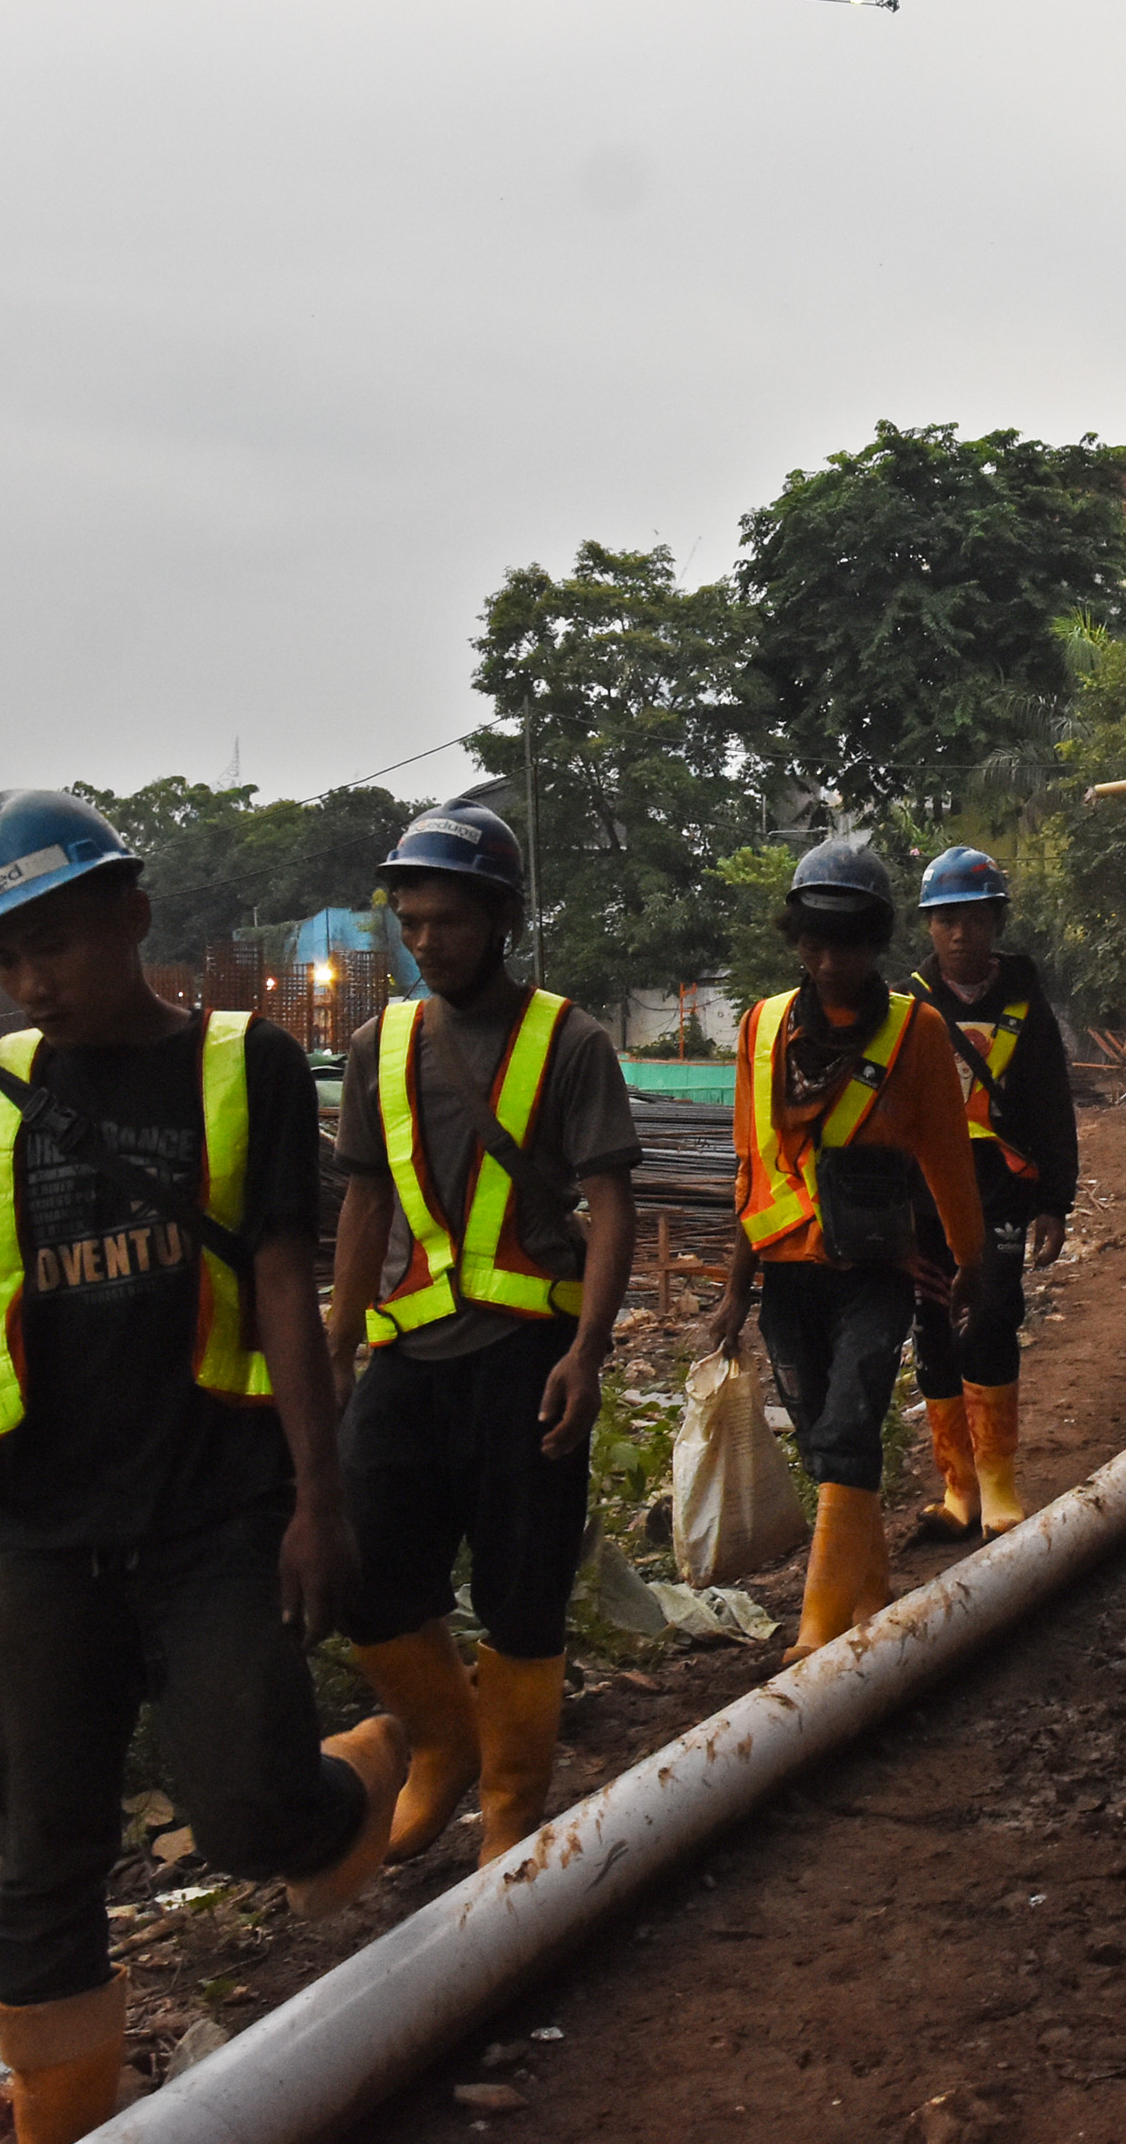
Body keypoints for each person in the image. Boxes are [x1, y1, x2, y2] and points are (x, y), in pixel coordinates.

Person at [0, 791, 397, 2144]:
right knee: (42, 1861)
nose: (36, 980)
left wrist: (317, 1499)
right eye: (8, 958)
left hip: (218, 1512)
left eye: (57, 944)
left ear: (132, 914)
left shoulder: (247, 1066)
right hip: (46, 1532)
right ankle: (69, 2124)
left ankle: (365, 1771)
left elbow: (282, 1279)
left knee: (249, 1813)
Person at [322, 801, 642, 1869]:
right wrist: (336, 1348)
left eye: (446, 920)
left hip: (524, 1361)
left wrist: (587, 1353)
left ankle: (510, 1805)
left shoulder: (572, 1040)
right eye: (411, 921)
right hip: (407, 1359)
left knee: (523, 1589)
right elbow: (363, 1205)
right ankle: (445, 1742)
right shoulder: (381, 1045)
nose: (425, 941)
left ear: (499, 917)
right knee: (363, 1569)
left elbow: (610, 1202)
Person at [709, 841, 984, 1658]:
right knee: (825, 1437)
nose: (829, 961)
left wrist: (971, 1260)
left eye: (848, 943)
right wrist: (733, 1293)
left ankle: (816, 1636)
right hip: (785, 1275)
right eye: (813, 942)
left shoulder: (916, 1031)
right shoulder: (762, 1028)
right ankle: (869, 1604)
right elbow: (749, 1167)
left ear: (875, 943)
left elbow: (947, 1154)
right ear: (795, 939)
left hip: (876, 1270)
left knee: (849, 1421)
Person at [903, 845, 1078, 1542]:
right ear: (928, 927)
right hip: (924, 1202)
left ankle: (999, 1482)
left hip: (1003, 1192)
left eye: (972, 917)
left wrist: (1054, 1202)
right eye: (944, 919)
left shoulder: (1028, 1008)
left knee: (994, 1317)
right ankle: (958, 1487)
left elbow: (1053, 1107)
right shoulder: (907, 1006)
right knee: (935, 1331)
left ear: (996, 920)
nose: (957, 933)